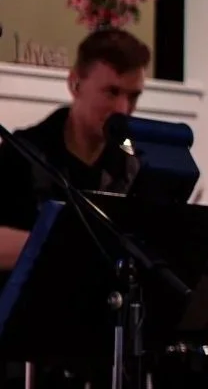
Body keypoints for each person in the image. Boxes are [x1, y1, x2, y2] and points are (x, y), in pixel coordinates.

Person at [0, 27, 148, 274]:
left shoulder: (131, 162)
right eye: (112, 92)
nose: (123, 109)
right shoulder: (24, 152)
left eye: (133, 96)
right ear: (75, 84)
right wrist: (74, 247)